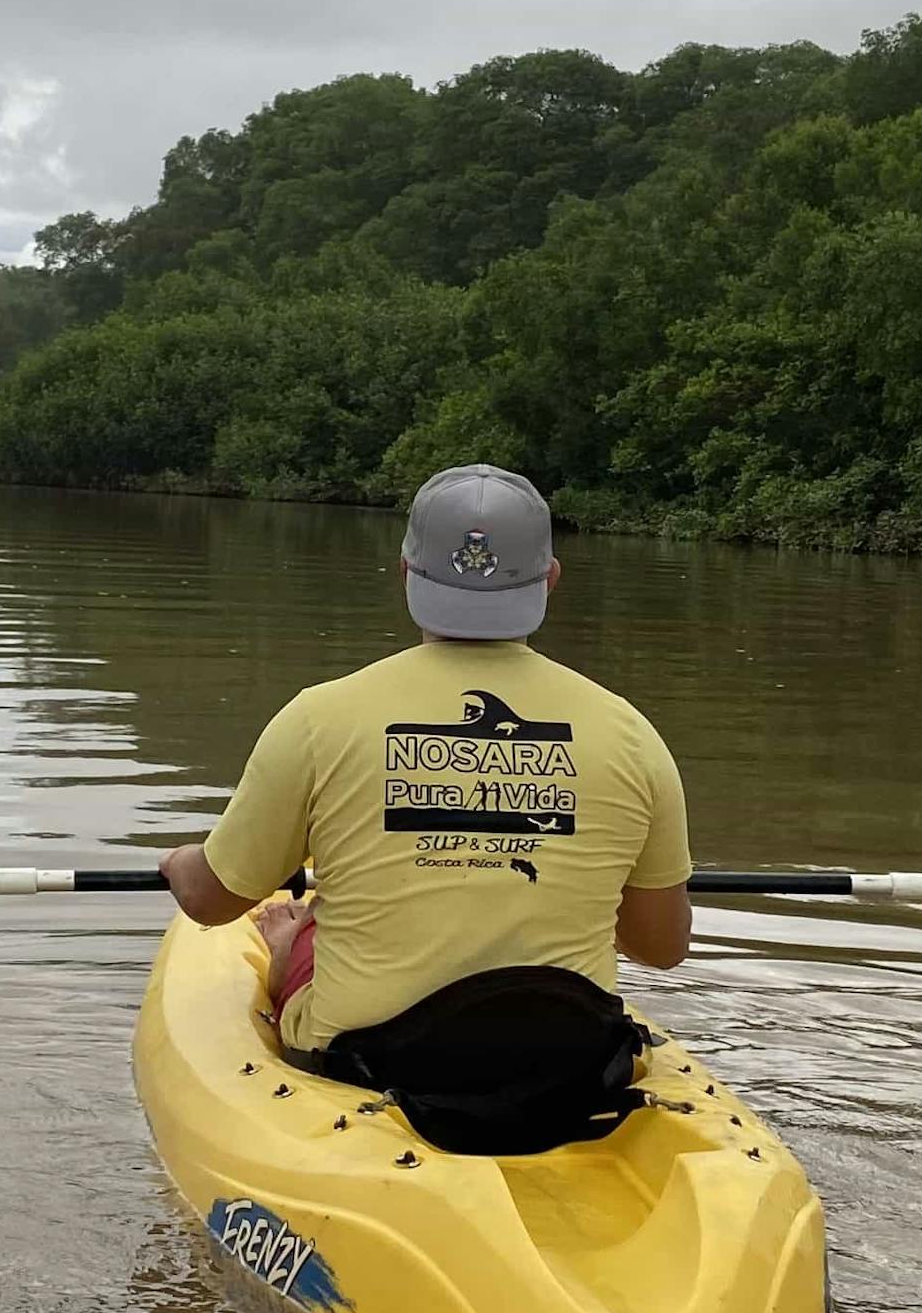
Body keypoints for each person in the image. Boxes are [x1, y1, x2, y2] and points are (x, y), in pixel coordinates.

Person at [159, 464, 691, 1106]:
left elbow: (212, 904)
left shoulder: (317, 719)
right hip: (569, 1063)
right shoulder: (633, 735)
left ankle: (290, 945)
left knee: (302, 932)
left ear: (407, 572)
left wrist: (180, 863)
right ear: (550, 579)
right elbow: (660, 947)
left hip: (367, 1061)